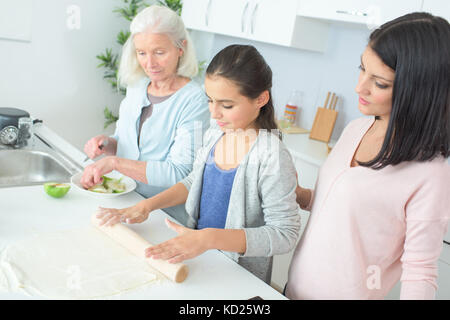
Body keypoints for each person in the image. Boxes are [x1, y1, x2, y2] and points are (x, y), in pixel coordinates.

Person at [96, 45, 301, 284]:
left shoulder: (271, 155)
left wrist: (209, 238)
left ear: (261, 99)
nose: (214, 114)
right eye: (210, 101)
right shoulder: (217, 132)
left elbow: (284, 234)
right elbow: (195, 181)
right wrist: (147, 206)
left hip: (236, 276)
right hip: (199, 257)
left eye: (226, 105)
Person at [286, 12, 450, 300]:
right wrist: (301, 195)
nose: (359, 87)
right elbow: (345, 211)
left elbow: (420, 272)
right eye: (362, 69)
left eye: (380, 83)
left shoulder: (429, 172)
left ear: (418, 91)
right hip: (293, 289)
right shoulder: (356, 128)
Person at [81, 5, 210, 225]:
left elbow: (180, 173)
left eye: (159, 52)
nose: (149, 63)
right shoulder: (137, 86)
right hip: (124, 199)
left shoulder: (195, 100)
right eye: (141, 53)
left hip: (163, 215)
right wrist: (107, 144)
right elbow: (127, 146)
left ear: (181, 48)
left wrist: (114, 163)